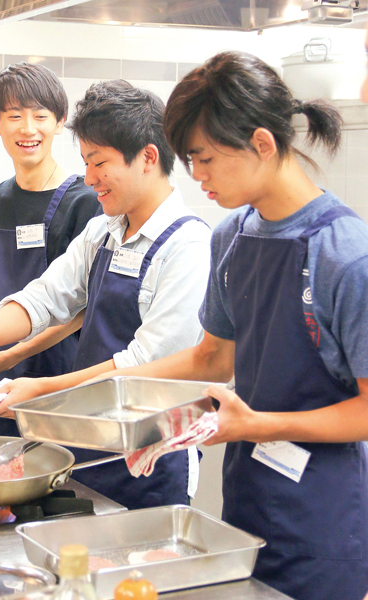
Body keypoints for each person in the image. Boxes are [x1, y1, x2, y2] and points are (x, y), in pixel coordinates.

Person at [86, 52, 368, 600]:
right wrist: (142, 415)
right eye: (190, 158)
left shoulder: (346, 257)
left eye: (206, 158)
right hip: (246, 500)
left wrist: (255, 425)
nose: (197, 176)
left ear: (263, 143)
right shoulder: (232, 236)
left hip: (322, 515)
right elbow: (212, 358)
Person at [0, 80, 212, 510]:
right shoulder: (104, 232)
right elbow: (44, 298)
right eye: (85, 163)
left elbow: (140, 368)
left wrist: (41, 390)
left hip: (150, 460)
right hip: (87, 444)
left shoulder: (187, 247)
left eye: (98, 164)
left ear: (148, 158)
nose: (89, 179)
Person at [0, 62, 101, 436]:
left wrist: (6, 356)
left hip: (51, 386)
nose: (28, 128)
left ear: (60, 121)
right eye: (14, 116)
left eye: (40, 115)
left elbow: (81, 311)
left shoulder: (85, 204)